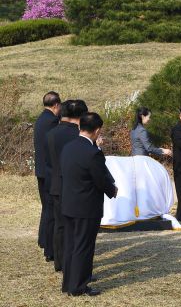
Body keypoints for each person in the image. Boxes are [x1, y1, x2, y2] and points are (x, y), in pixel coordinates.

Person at [61, 112, 117, 296]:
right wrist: (112, 190)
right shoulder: (93, 153)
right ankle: (79, 286)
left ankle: (68, 283)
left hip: (69, 203)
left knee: (71, 245)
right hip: (86, 206)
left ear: (80, 126)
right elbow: (101, 178)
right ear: (97, 130)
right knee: (84, 247)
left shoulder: (68, 147)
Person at [45, 100, 88, 272]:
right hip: (75, 186)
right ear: (80, 116)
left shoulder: (51, 133)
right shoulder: (78, 135)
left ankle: (60, 262)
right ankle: (73, 265)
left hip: (55, 183)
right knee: (76, 229)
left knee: (60, 225)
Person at [33, 91, 61, 261]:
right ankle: (49, 247)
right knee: (50, 209)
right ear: (56, 105)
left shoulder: (40, 119)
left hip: (41, 170)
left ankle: (44, 241)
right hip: (49, 171)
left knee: (46, 208)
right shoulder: (51, 121)